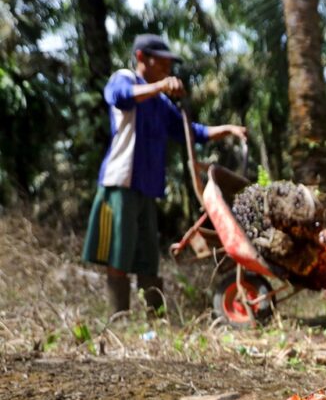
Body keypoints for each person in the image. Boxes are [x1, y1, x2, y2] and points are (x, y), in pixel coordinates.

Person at [82, 34, 247, 315]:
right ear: (142, 57)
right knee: (118, 252)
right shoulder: (125, 79)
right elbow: (120, 98)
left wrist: (228, 130)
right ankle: (118, 318)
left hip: (148, 187)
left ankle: (154, 319)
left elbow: (190, 132)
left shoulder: (159, 103)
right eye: (163, 61)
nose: (168, 68)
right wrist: (159, 86)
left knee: (147, 257)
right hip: (121, 181)